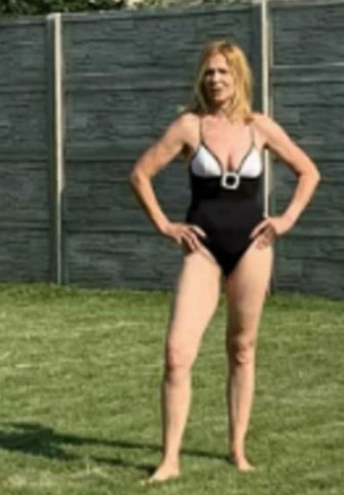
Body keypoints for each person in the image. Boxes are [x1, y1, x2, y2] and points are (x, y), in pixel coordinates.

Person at [129, 39, 320, 482]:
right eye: (209, 72)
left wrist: (287, 218)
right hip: (203, 251)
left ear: (238, 77)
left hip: (253, 248)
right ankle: (169, 460)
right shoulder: (189, 126)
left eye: (223, 72)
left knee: (242, 348)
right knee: (177, 353)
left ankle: (237, 449)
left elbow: (309, 171)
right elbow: (140, 174)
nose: (215, 79)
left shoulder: (260, 127)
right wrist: (165, 225)